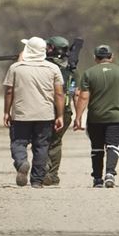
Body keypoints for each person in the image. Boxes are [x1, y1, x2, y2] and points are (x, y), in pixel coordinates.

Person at [2, 36, 65, 189]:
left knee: (18, 142)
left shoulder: (16, 68)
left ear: (27, 50)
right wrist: (60, 115)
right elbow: (59, 94)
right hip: (45, 115)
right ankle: (37, 180)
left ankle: (22, 162)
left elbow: (9, 91)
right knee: (41, 146)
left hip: (22, 114)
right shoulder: (53, 68)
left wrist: (6, 112)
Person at [73, 44, 119, 188]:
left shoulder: (89, 73)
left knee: (96, 148)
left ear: (95, 58)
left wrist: (78, 117)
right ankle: (110, 173)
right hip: (117, 117)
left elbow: (83, 97)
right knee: (113, 145)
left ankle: (97, 179)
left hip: (96, 117)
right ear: (111, 57)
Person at [44, 36, 77, 186]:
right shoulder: (71, 71)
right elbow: (73, 91)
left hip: (46, 110)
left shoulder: (45, 67)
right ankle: (53, 175)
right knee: (56, 143)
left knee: (42, 141)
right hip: (66, 111)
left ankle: (44, 169)